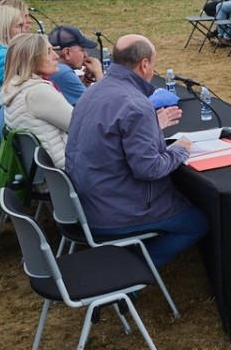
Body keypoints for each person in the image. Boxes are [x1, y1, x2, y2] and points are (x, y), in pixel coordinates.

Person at [64, 35, 206, 267]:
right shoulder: (136, 104)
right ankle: (132, 270)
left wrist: (152, 126)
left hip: (85, 201)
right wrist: (180, 150)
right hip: (113, 212)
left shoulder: (93, 90)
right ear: (144, 64)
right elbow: (149, 169)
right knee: (196, 222)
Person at [0, 33, 74, 168]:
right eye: (48, 52)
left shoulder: (14, 88)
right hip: (65, 171)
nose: (56, 56)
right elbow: (80, 126)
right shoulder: (38, 93)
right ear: (31, 60)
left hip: (46, 173)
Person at [47, 25, 103, 105]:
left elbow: (79, 97)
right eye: (82, 50)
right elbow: (96, 106)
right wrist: (99, 75)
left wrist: (87, 80)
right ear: (67, 53)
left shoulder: (55, 68)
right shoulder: (62, 71)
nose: (86, 55)